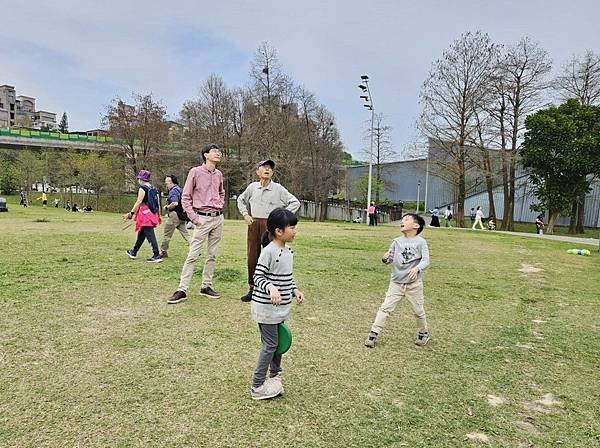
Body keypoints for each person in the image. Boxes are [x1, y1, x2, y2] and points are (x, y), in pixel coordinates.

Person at [250, 208, 305, 400]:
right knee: (270, 344)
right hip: (265, 308)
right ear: (278, 231)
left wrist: (295, 290)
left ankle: (274, 376)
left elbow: (287, 278)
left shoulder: (288, 251)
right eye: (292, 227)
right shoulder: (269, 252)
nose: (295, 231)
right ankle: (257, 386)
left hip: (279, 310)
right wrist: (271, 288)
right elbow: (258, 276)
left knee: (277, 343)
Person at [167, 143, 225, 304]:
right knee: (193, 255)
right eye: (214, 152)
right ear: (205, 155)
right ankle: (182, 289)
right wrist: (194, 218)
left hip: (218, 218)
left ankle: (206, 286)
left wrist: (220, 204)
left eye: (219, 152)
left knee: (212, 255)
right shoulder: (195, 172)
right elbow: (185, 197)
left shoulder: (219, 174)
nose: (218, 154)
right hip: (202, 219)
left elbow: (222, 192)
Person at [237, 159, 300, 302]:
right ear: (257, 171)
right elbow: (240, 200)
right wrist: (246, 215)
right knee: (252, 256)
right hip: (253, 224)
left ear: (272, 172)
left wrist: (279, 218)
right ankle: (252, 289)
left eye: (270, 168)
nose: (267, 170)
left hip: (269, 226)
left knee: (270, 256)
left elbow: (295, 202)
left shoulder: (278, 189)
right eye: (264, 167)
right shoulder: (252, 187)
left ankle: (273, 287)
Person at [364, 213, 430, 348]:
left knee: (418, 311)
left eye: (406, 219)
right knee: (385, 308)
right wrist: (385, 258)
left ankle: (423, 332)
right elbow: (390, 260)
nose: (402, 221)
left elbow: (426, 260)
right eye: (402, 220)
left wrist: (417, 268)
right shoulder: (396, 242)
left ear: (416, 226)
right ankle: (373, 333)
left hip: (414, 284)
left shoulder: (421, 242)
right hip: (396, 283)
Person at [123, 169, 163, 263]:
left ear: (140, 179)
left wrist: (132, 213)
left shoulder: (142, 188)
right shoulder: (153, 188)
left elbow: (139, 201)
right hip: (152, 213)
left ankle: (156, 254)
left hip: (145, 214)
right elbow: (157, 203)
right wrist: (158, 214)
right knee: (142, 233)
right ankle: (133, 252)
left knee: (150, 235)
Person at [159, 174, 191, 258]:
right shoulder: (180, 189)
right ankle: (195, 249)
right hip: (182, 216)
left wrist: (167, 207)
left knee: (167, 234)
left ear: (172, 182)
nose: (166, 184)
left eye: (167, 182)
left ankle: (163, 251)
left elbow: (175, 203)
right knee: (186, 234)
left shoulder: (173, 191)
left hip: (174, 216)